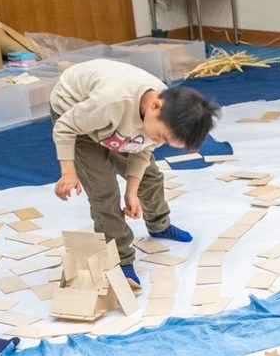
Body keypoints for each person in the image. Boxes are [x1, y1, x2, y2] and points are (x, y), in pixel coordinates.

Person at [51, 58, 219, 285]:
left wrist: (132, 191)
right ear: (155, 107)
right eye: (161, 137)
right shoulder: (110, 101)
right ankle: (121, 259)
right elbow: (65, 127)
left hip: (116, 122)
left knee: (150, 176)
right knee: (104, 193)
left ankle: (159, 225)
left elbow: (143, 150)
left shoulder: (165, 117)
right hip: (75, 118)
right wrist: (68, 172)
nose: (160, 142)